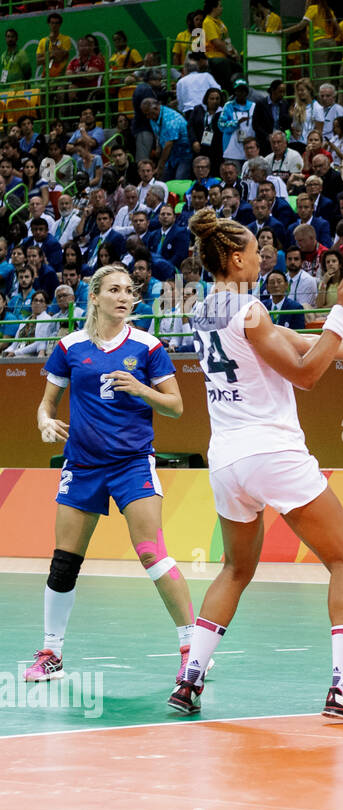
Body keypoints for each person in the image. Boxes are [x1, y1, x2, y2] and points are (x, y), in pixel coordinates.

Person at [170, 208, 343, 719]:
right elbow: (304, 372)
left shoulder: (203, 310)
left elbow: (291, 344)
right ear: (237, 259)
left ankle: (191, 678)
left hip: (226, 459)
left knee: (235, 568)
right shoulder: (250, 309)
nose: (264, 256)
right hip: (271, 451)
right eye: (257, 251)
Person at [30, 264, 199, 687]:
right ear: (96, 297)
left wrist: (141, 389)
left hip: (132, 464)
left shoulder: (148, 346)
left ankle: (191, 652)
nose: (124, 297)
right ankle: (51, 653)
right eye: (115, 290)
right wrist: (45, 422)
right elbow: (46, 405)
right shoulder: (69, 347)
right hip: (83, 465)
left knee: (150, 552)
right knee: (64, 561)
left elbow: (176, 406)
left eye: (129, 291)